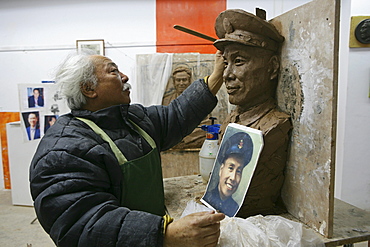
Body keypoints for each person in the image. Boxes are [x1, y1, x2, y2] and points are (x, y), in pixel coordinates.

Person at [29, 50, 225, 247]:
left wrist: (217, 75)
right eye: (114, 71)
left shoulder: (133, 119)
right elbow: (83, 224)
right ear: (89, 89)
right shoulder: (63, 151)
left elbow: (176, 115)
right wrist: (163, 234)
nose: (125, 76)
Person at [213, 9, 292, 217]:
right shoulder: (232, 121)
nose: (227, 75)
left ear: (272, 68)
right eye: (226, 63)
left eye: (239, 62)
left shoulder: (274, 126)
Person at [202, 132, 253, 217]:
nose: (233, 178)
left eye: (238, 171)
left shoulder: (235, 208)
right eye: (230, 168)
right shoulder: (208, 198)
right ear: (221, 169)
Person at [162, 66, 213, 149]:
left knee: (206, 132)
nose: (181, 83)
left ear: (189, 81)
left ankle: (183, 140)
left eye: (184, 80)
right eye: (178, 80)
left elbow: (207, 122)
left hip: (193, 134)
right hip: (173, 133)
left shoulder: (200, 99)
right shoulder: (166, 100)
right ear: (174, 82)